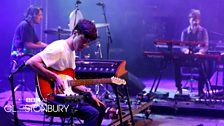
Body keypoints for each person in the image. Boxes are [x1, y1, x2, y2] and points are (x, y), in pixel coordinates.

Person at [26, 19, 105, 126]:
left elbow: (70, 82)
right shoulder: (59, 48)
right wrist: (55, 77)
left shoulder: (71, 52)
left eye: (88, 42)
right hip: (51, 100)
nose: (85, 44)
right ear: (75, 33)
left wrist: (88, 91)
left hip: (64, 97)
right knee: (92, 113)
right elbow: (31, 62)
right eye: (83, 40)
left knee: (100, 107)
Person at [174, 9, 209, 96]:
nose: (195, 21)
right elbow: (182, 46)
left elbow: (205, 45)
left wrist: (200, 52)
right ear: (189, 20)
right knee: (176, 63)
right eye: (193, 19)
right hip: (187, 56)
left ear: (199, 20)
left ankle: (201, 90)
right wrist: (186, 51)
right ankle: (179, 88)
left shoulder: (203, 31)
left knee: (206, 65)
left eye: (197, 19)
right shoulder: (184, 32)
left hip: (198, 57)